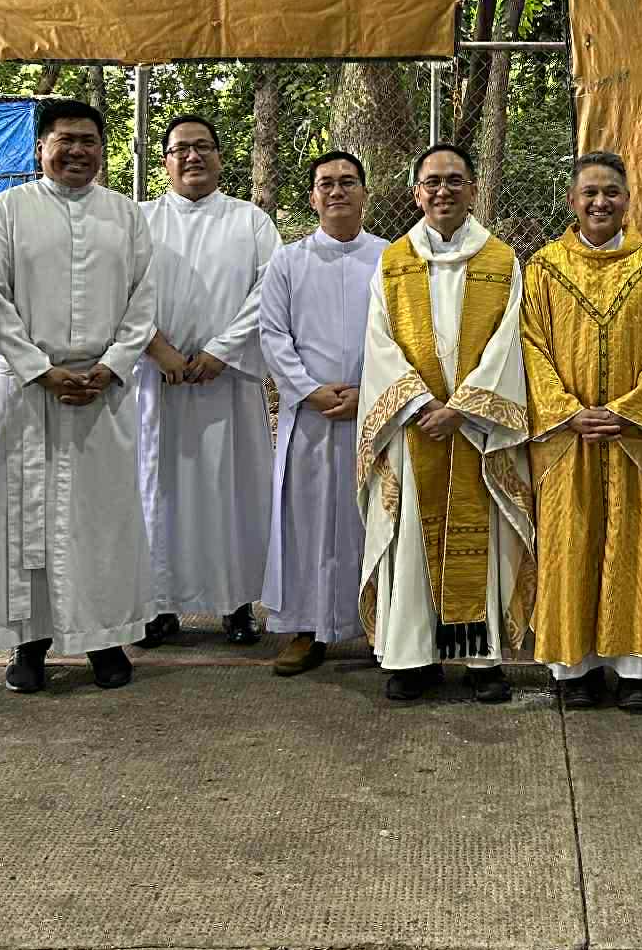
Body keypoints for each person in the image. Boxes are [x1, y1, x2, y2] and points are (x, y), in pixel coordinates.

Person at [0, 99, 157, 693]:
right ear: (40, 147)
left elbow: (144, 299)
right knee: (24, 519)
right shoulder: (7, 211)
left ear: (103, 149)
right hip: (28, 391)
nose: (77, 151)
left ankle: (104, 637)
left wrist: (112, 365)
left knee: (102, 520)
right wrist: (38, 368)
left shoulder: (125, 216)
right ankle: (29, 642)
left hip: (102, 393)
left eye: (88, 141)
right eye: (64, 140)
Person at [523, 152, 642, 714]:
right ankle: (572, 668)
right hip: (566, 438)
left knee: (632, 545)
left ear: (628, 200)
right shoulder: (544, 268)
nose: (600, 202)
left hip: (634, 440)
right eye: (590, 193)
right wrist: (567, 411)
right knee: (569, 545)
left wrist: (628, 412)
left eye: (611, 193)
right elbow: (530, 347)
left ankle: (634, 671)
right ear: (572, 201)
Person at [356, 143, 533, 704]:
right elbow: (378, 343)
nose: (443, 191)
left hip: (475, 430)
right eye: (432, 181)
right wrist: (418, 404)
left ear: (473, 189)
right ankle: (413, 658)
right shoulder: (393, 262)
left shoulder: (502, 260)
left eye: (455, 180)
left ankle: (481, 659)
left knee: (480, 545)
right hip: (415, 427)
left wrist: (463, 408)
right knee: (411, 537)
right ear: (416, 193)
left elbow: (510, 342)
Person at [134, 114, 278, 647]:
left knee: (231, 491)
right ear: (165, 161)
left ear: (220, 157)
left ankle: (236, 603)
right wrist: (159, 349)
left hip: (227, 383)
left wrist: (222, 350)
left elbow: (269, 290)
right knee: (158, 492)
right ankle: (157, 604)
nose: (192, 156)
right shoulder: (139, 220)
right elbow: (121, 292)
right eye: (181, 149)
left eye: (203, 147)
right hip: (159, 381)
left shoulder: (251, 221)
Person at [257, 151, 387, 675]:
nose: (337, 191)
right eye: (326, 183)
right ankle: (305, 629)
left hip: (371, 413)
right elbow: (273, 334)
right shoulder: (288, 262)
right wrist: (309, 391)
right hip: (309, 416)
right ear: (312, 197)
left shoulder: (390, 258)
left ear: (364, 193)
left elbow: (402, 336)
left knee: (370, 521)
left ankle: (380, 627)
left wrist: (370, 391)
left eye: (348, 182)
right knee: (305, 522)